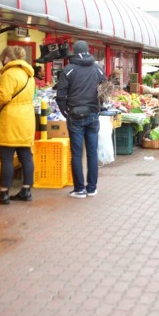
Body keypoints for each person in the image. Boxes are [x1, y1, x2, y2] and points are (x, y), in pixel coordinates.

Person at [56, 40, 106, 198]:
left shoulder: (69, 69)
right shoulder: (97, 69)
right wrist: (99, 106)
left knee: (76, 153)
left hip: (75, 115)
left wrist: (66, 112)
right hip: (93, 114)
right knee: (92, 152)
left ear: (74, 51)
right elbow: (104, 90)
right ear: (87, 51)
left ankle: (79, 189)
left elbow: (60, 95)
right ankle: (92, 188)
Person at [0, 46, 36, 205]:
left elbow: (3, 96)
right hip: (27, 117)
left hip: (11, 119)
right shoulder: (29, 75)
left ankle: (4, 193)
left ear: (7, 58)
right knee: (26, 156)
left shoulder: (9, 74)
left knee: (7, 157)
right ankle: (26, 190)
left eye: (3, 58)